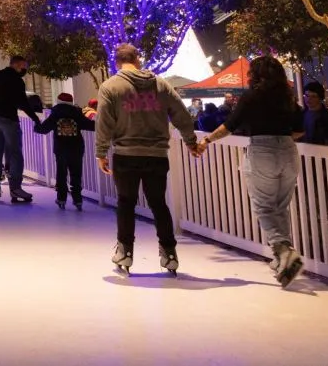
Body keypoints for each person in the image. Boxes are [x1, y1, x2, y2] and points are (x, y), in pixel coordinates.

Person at [199, 56, 305, 287]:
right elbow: (299, 130)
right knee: (280, 206)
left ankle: (283, 249)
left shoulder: (251, 97)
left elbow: (229, 126)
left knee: (264, 206)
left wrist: (207, 140)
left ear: (255, 75)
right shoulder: (288, 98)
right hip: (288, 151)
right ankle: (282, 260)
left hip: (262, 151)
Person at [96, 43, 200, 275]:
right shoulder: (160, 85)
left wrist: (101, 152)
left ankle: (125, 251)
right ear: (137, 59)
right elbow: (181, 114)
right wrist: (191, 141)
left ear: (117, 62)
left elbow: (104, 121)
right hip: (156, 155)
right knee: (158, 204)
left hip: (125, 154)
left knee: (126, 203)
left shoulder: (111, 86)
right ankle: (170, 253)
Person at [0, 55, 41, 203]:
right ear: (17, 65)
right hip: (8, 119)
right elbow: (22, 102)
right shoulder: (16, 81)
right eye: (24, 67)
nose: (25, 70)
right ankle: (15, 188)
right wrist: (35, 118)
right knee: (15, 153)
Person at [35, 92, 96, 210]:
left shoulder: (55, 114)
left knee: (61, 174)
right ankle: (78, 200)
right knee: (76, 174)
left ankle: (61, 198)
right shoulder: (77, 114)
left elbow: (43, 129)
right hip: (76, 148)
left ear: (58, 102)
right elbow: (90, 126)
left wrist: (37, 125)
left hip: (61, 149)